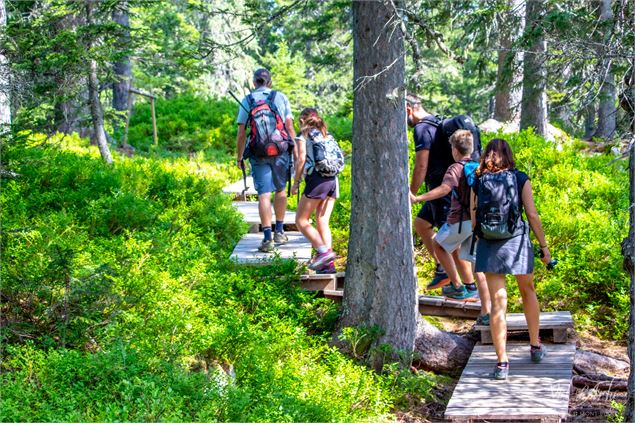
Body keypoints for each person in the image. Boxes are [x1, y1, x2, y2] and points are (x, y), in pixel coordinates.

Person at [471, 138, 551, 380]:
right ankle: (535, 346)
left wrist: (482, 239)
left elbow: (474, 219)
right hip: (517, 241)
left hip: (489, 243)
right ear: (509, 154)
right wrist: (544, 247)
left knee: (498, 301)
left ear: (486, 155)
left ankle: (502, 362)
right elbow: (532, 214)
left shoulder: (478, 181)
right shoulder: (520, 178)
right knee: (528, 291)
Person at [410, 131, 491, 320]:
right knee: (477, 266)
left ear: (454, 150)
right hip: (476, 221)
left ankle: (457, 286)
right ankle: (487, 311)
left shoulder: (455, 168)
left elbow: (444, 189)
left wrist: (418, 198)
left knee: (438, 243)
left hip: (460, 220)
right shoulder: (478, 167)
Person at [235, 68, 297, 253]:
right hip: (280, 151)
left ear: (254, 82)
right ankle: (279, 231)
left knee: (263, 194)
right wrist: (295, 150)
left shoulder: (248, 100)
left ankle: (267, 239)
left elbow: (240, 133)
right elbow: (289, 126)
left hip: (258, 152)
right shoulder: (280, 97)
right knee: (280, 190)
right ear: (269, 82)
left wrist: (239, 156)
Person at [406, 94, 455, 288]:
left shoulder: (422, 128)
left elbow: (421, 166)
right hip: (442, 188)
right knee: (421, 224)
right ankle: (443, 268)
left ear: (408, 109)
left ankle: (464, 285)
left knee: (450, 240)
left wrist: (411, 193)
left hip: (441, 190)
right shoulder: (436, 122)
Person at [292, 108, 338, 273]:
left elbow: (301, 159)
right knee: (322, 222)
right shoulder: (326, 134)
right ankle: (328, 265)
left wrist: (296, 182)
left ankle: (324, 252)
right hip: (333, 181)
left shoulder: (303, 135)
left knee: (301, 220)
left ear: (303, 121)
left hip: (317, 180)